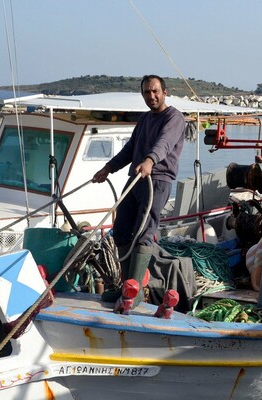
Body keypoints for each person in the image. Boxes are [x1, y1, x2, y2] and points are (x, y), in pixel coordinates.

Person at [92, 74, 186, 304]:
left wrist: (150, 161)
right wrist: (108, 168)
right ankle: (126, 287)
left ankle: (134, 294)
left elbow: (163, 143)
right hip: (135, 179)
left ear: (165, 92)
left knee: (144, 233)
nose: (151, 96)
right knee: (121, 229)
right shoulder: (144, 120)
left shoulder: (174, 118)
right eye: (147, 92)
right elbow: (130, 149)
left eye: (155, 91)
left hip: (157, 181)